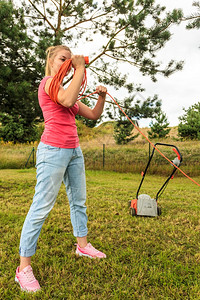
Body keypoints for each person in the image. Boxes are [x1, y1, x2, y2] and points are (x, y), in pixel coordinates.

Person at [15, 45, 107, 293]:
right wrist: (79, 68)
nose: (68, 62)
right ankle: (23, 268)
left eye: (71, 59)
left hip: (74, 151)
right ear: (51, 61)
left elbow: (93, 115)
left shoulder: (68, 90)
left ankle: (82, 246)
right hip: (52, 151)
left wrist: (101, 96)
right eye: (63, 59)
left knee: (79, 201)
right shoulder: (48, 83)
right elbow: (65, 99)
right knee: (41, 207)